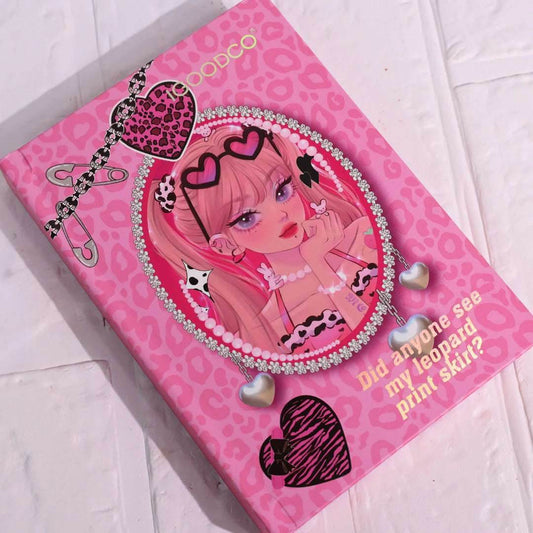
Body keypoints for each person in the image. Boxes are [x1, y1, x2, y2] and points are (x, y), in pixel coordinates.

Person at [148, 123, 378, 357]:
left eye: (282, 191)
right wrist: (317, 263)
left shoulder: (364, 236)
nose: (281, 214)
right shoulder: (263, 332)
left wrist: (321, 264)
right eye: (247, 218)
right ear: (225, 244)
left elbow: (385, 326)